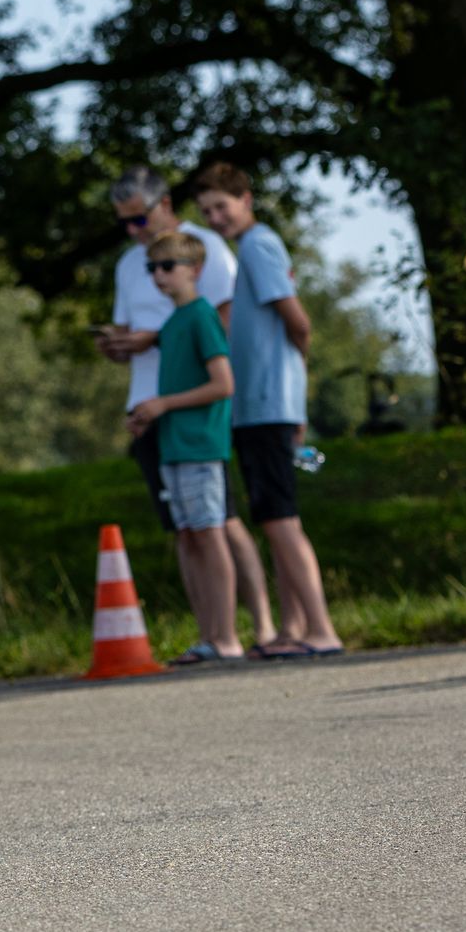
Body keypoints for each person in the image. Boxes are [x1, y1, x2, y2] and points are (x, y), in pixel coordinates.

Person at [93, 166, 275, 651]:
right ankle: (211, 633)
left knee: (221, 522)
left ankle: (257, 629)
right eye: (125, 224)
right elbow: (130, 324)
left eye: (141, 219)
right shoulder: (131, 265)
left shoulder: (202, 251)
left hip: (193, 411)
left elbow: (222, 323)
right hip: (151, 404)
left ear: (166, 205)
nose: (135, 234)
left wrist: (165, 338)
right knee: (185, 527)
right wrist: (121, 345)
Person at [192, 163, 343, 658]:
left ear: (245, 199)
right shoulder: (251, 250)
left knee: (282, 519)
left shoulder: (257, 246)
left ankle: (320, 629)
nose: (216, 218)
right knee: (275, 516)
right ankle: (293, 629)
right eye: (207, 211)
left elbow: (297, 322)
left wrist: (292, 386)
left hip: (267, 403)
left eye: (222, 206)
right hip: (257, 405)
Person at [123, 234, 242, 661]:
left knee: (210, 534)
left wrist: (164, 404)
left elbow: (223, 384)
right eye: (152, 268)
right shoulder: (172, 325)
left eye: (168, 265)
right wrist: (147, 413)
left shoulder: (200, 317)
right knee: (188, 537)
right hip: (172, 444)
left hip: (200, 444)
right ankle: (208, 634)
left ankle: (226, 636)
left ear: (195, 269)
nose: (159, 275)